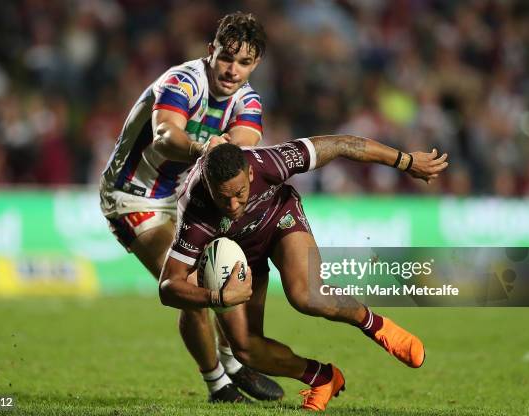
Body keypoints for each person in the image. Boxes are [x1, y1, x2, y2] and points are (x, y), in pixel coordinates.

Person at [159, 135, 449, 410]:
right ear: (208, 186)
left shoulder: (268, 162)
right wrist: (217, 296)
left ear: (249, 174)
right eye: (223, 199)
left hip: (279, 221)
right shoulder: (195, 210)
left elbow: (341, 144)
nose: (233, 205)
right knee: (246, 350)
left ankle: (378, 327)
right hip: (238, 257)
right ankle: (322, 378)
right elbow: (169, 285)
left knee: (306, 294)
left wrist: (406, 162)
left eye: (239, 194)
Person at [99, 12, 283, 402]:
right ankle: (219, 383)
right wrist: (203, 148)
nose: (233, 70)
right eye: (227, 58)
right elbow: (166, 135)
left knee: (225, 271)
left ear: (256, 64)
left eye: (244, 62)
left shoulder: (247, 101)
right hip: (132, 194)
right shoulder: (182, 82)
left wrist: (226, 152)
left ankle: (234, 361)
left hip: (183, 196)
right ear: (210, 51)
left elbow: (241, 146)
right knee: (191, 285)